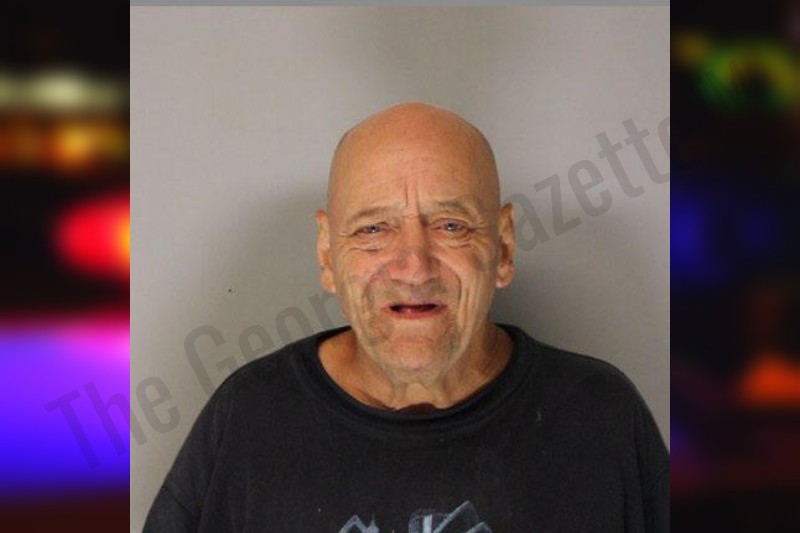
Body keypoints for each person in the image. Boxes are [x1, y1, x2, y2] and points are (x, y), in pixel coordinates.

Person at [143, 102, 669, 532]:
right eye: (373, 230)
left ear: (504, 248)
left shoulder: (602, 419)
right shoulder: (249, 419)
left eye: (451, 225)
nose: (414, 267)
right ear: (327, 255)